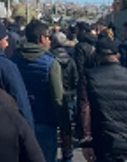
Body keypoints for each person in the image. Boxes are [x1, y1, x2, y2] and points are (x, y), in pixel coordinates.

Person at [11, 20, 70, 162]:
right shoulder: (50, 63)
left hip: (18, 121)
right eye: (48, 37)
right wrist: (66, 129)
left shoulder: (13, 60)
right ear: (42, 38)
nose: (49, 40)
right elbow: (58, 98)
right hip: (45, 122)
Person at [50, 30, 79, 162]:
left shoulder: (49, 59)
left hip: (52, 96)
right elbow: (75, 79)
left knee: (51, 126)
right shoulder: (70, 60)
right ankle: (68, 154)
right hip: (68, 96)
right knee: (66, 128)